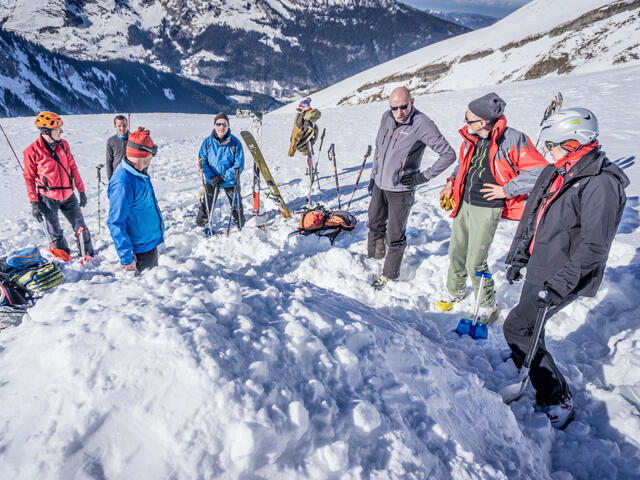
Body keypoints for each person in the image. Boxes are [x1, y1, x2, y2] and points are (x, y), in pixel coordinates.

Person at [503, 108, 628, 429]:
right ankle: (527, 356)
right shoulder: (556, 171)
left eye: (552, 145)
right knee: (530, 326)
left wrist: (559, 284)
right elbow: (533, 215)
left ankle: (556, 396)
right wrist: (518, 256)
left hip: (564, 274)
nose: (547, 151)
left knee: (517, 328)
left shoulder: (600, 183)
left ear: (574, 142)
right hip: (541, 264)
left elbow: (595, 246)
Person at [436, 92, 549, 321]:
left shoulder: (513, 139)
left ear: (483, 122)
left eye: (469, 119)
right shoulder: (472, 136)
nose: (465, 122)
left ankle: (487, 303)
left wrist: (506, 190)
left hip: (487, 207)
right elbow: (463, 163)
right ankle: (455, 291)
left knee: (475, 261)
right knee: (456, 252)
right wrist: (451, 182)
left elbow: (540, 171)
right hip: (464, 202)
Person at [368, 86, 456, 289]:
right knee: (374, 223)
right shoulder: (386, 117)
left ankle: (389, 275)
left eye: (403, 107)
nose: (399, 112)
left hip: (401, 190)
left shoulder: (422, 124)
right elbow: (379, 151)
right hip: (380, 185)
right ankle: (373, 259)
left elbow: (448, 154)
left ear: (412, 102)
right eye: (394, 108)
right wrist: (373, 177)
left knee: (395, 234)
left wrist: (422, 177)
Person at [23, 111, 94, 258]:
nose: (61, 131)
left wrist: (81, 191)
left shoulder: (63, 145)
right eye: (57, 129)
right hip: (47, 198)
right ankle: (64, 256)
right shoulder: (31, 151)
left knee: (80, 227)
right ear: (46, 131)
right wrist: (34, 203)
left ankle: (88, 255)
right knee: (54, 231)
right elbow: (29, 178)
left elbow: (73, 167)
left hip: (68, 195)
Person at [107, 127, 164, 273]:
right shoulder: (123, 183)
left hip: (147, 241)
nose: (151, 159)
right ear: (144, 155)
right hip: (139, 248)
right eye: (150, 155)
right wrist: (126, 257)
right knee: (148, 284)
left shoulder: (139, 173)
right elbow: (116, 222)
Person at [195, 113, 245, 229]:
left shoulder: (235, 143)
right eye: (218, 124)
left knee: (236, 204)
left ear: (228, 126)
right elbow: (202, 161)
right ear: (214, 125)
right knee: (207, 203)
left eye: (224, 124)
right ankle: (200, 224)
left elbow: (239, 165)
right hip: (212, 180)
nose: (221, 127)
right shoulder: (207, 142)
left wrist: (223, 177)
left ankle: (240, 224)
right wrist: (212, 176)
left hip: (230, 180)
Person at [106, 114, 129, 180]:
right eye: (119, 126)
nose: (122, 128)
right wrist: (110, 179)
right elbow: (109, 161)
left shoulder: (134, 139)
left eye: (124, 125)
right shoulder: (111, 141)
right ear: (115, 126)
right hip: (117, 175)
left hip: (130, 175)